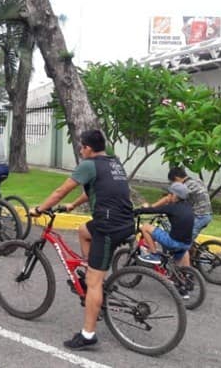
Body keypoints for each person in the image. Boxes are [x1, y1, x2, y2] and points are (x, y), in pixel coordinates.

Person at [29, 129, 134, 350]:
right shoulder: (113, 162)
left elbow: (60, 191)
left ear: (87, 148)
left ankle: (88, 335)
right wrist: (74, 206)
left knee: (95, 282)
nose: (80, 150)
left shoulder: (88, 164)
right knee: (84, 230)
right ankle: (91, 273)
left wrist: (39, 209)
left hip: (108, 227)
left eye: (81, 146)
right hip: (124, 223)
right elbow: (94, 189)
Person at [134, 182, 195, 267]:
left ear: (175, 196)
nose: (167, 196)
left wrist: (137, 211)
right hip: (187, 244)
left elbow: (152, 210)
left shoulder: (172, 207)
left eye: (170, 194)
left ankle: (154, 254)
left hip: (173, 242)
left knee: (145, 227)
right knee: (178, 262)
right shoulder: (188, 206)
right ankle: (186, 274)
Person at [150, 167, 213, 241]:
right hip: (205, 214)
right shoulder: (197, 181)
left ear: (177, 178)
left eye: (173, 182)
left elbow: (168, 198)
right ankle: (192, 250)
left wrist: (152, 207)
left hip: (199, 217)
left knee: (182, 241)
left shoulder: (186, 186)